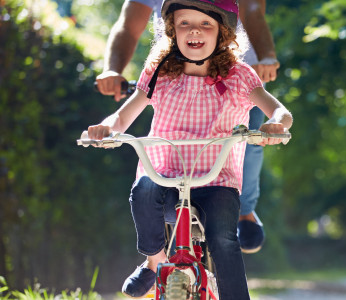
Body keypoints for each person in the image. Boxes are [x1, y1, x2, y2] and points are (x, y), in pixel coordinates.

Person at [85, 0, 293, 297]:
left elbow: (280, 112)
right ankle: (154, 262)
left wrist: (276, 124)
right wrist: (107, 128)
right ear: (172, 30)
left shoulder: (240, 75)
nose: (194, 30)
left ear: (222, 33)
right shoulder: (159, 72)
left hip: (217, 181)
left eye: (205, 24)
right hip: (165, 177)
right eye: (184, 23)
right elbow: (123, 116)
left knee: (223, 239)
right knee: (143, 191)